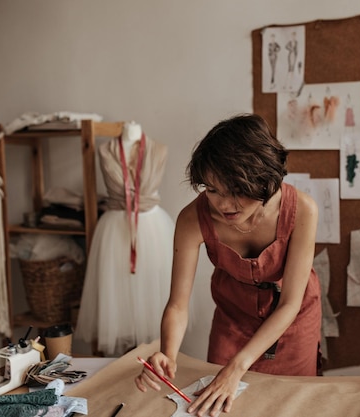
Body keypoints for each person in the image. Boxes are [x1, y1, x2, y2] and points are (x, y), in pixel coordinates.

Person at [135, 114, 322, 416]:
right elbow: (178, 305)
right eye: (212, 189)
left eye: (235, 190)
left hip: (293, 317)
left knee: (290, 404)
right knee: (218, 405)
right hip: (233, 315)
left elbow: (289, 304)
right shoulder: (192, 219)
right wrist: (167, 354)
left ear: (264, 180)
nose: (222, 204)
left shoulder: (303, 210)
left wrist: (238, 367)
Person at [74, 121, 174, 356]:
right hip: (115, 228)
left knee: (151, 293)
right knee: (116, 293)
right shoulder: (104, 150)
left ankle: (156, 359)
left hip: (151, 227)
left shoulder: (159, 148)